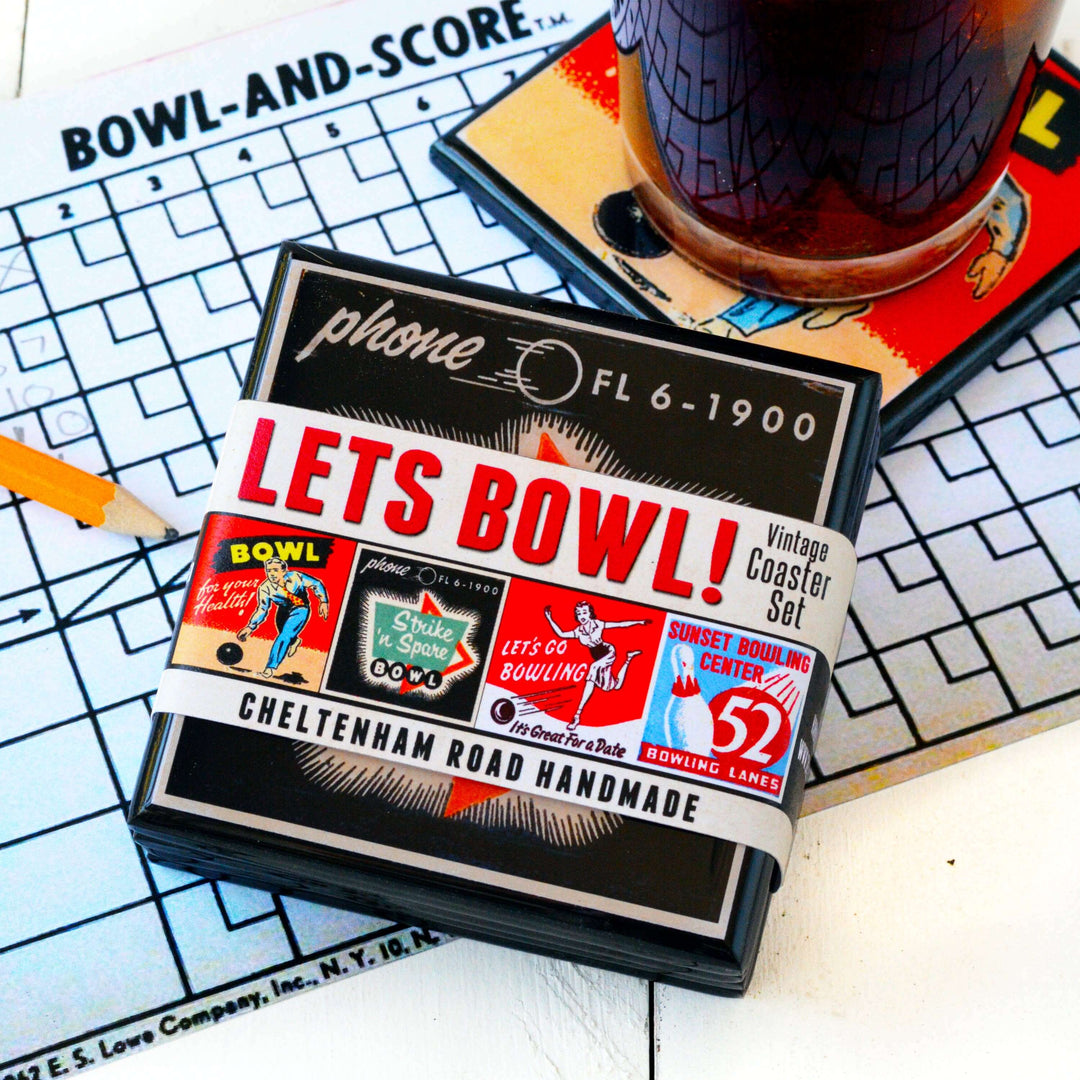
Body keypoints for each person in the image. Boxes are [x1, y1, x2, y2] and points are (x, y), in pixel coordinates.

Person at [543, 600, 650, 730]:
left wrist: (639, 622)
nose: (581, 616)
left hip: (608, 652)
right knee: (613, 687)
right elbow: (562, 634)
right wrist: (549, 618)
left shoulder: (598, 624)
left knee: (592, 669)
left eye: (584, 612)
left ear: (590, 614)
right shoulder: (578, 631)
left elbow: (620, 625)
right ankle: (628, 658)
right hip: (597, 658)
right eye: (578, 613)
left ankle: (577, 715)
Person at [237, 557, 329, 678]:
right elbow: (262, 609)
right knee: (286, 635)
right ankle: (295, 641)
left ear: (284, 571)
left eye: (275, 570)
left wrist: (323, 601)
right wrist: (250, 627)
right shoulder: (265, 588)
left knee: (284, 636)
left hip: (300, 609)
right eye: (268, 570)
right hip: (283, 611)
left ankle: (270, 668)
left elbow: (316, 584)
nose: (272, 574)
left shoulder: (296, 576)